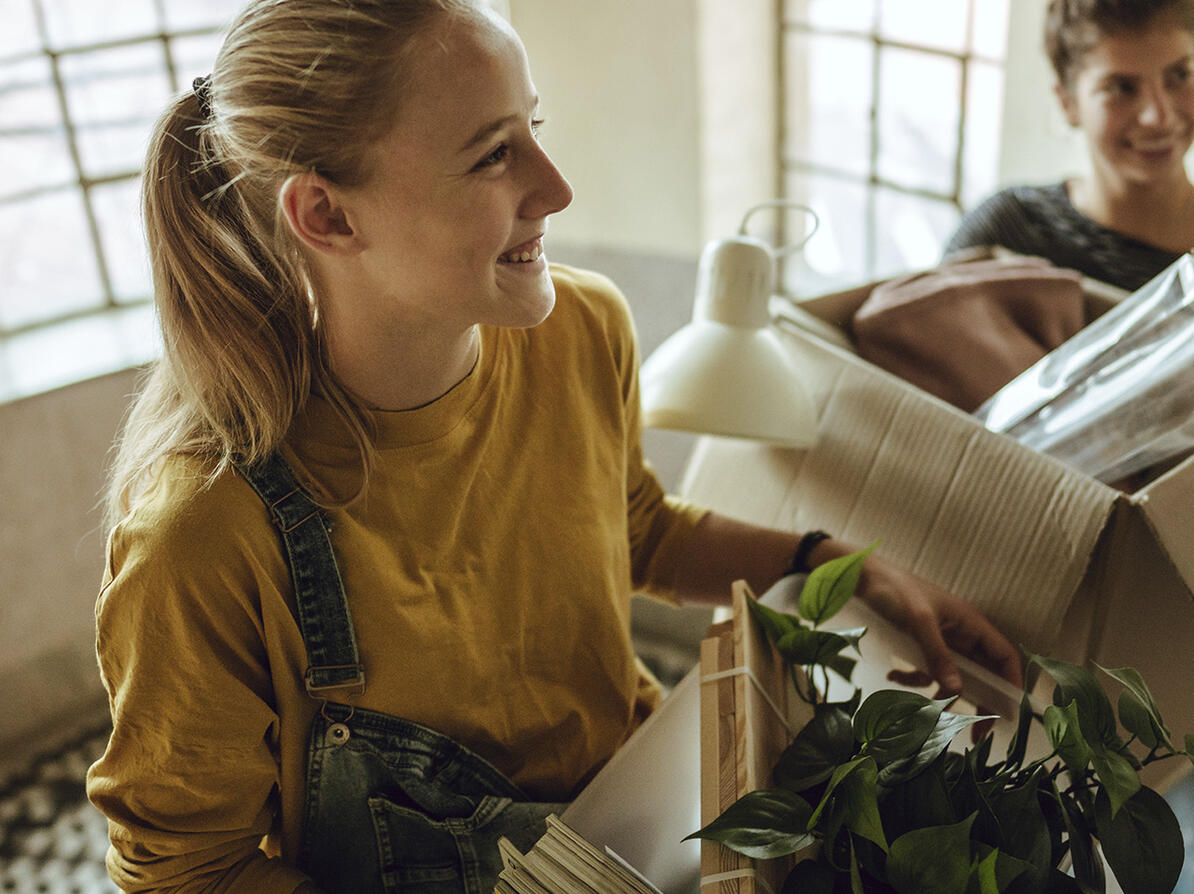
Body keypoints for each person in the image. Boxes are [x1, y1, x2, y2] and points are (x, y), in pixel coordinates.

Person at [85, 1, 1023, 891]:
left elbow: (634, 527)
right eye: (494, 155)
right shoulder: (202, 536)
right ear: (327, 215)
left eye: (533, 125)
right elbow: (189, 872)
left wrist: (839, 566)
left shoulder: (580, 328)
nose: (557, 187)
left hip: (642, 830)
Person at [945, 0, 1194, 291]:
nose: (1157, 117)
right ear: (1068, 102)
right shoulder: (1007, 237)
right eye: (1120, 88)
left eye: (1180, 76)